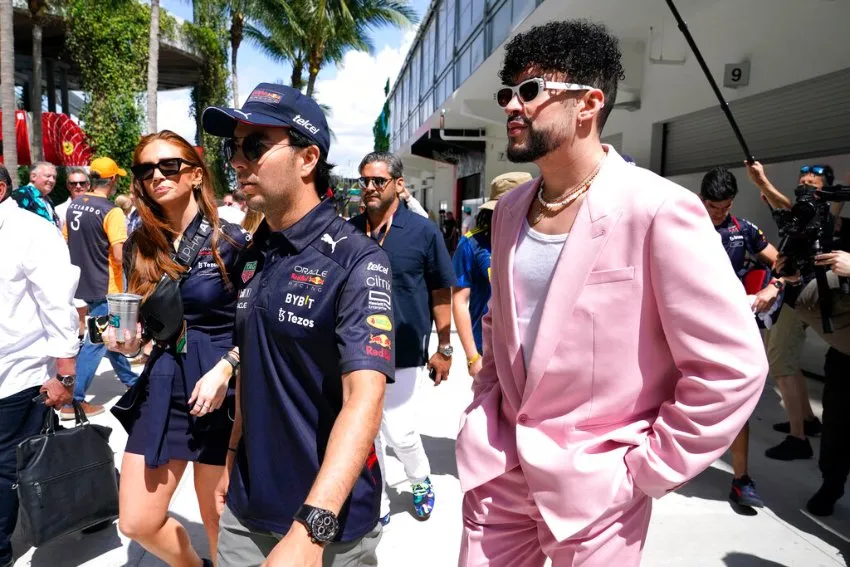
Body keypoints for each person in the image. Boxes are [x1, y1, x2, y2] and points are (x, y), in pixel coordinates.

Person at [455, 21, 767, 566]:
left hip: (598, 492)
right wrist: (484, 408)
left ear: (588, 104)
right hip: (499, 471)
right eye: (508, 93)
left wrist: (646, 471)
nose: (512, 105)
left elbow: (732, 367)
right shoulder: (508, 211)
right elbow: (501, 322)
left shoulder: (658, 208)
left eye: (531, 90)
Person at [202, 82, 393, 566]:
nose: (237, 161)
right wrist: (231, 459)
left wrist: (313, 528)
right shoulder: (254, 252)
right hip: (247, 510)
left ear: (308, 159)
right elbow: (256, 366)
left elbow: (364, 399)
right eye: (232, 148)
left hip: (329, 526)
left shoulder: (358, 260)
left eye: (253, 146)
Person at [102, 131, 247, 566]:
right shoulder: (140, 245)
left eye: (169, 166)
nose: (157, 176)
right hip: (166, 378)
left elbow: (257, 324)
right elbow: (145, 321)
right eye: (146, 170)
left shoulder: (233, 242)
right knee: (137, 520)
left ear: (196, 175)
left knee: (217, 515)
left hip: (222, 384)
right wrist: (128, 340)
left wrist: (228, 366)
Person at [350, 151, 456, 525]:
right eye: (364, 180)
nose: (370, 187)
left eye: (378, 181)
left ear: (398, 185)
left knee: (399, 431)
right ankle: (377, 497)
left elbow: (441, 291)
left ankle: (419, 478)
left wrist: (445, 347)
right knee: (367, 431)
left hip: (405, 348)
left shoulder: (423, 232)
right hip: (355, 347)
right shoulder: (349, 231)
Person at [0, 164, 78, 567]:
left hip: (17, 374)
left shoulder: (31, 231)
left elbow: (57, 304)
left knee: (6, 466)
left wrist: (65, 374)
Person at [700, 167, 789, 509]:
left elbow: (783, 263)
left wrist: (773, 286)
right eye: (712, 206)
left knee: (737, 401)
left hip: (728, 328)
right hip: (680, 327)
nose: (718, 213)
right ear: (700, 199)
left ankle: (741, 479)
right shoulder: (681, 225)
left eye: (724, 206)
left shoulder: (744, 229)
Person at [746, 161, 829, 459]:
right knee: (788, 361)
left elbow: (793, 209)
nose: (805, 191)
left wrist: (763, 182)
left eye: (812, 186)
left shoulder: (817, 213)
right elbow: (788, 212)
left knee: (781, 365)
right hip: (795, 295)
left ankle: (798, 438)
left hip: (797, 296)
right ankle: (807, 420)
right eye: (802, 184)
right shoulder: (805, 215)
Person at [61, 157, 138, 419]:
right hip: (107, 285)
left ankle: (131, 380)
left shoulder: (74, 205)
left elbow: (65, 241)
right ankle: (73, 401)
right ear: (113, 179)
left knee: (109, 333)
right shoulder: (111, 211)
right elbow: (118, 254)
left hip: (84, 282)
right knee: (96, 341)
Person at [452, 172, 531, 377]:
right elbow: (459, 300)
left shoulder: (541, 238)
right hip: (488, 352)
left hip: (533, 350)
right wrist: (472, 357)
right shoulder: (472, 244)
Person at [11, 160, 59, 227]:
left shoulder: (48, 200)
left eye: (54, 177)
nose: (52, 180)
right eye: (48, 176)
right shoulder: (21, 195)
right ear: (33, 176)